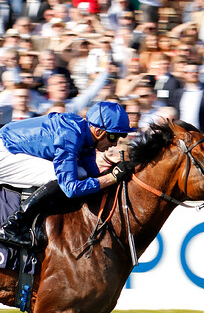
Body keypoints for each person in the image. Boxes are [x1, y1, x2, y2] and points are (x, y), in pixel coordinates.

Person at [0, 101, 134, 247]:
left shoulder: (86, 136)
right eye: (113, 137)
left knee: (81, 173)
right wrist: (112, 177)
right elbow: (70, 188)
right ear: (98, 131)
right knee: (57, 176)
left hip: (11, 146)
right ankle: (11, 226)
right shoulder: (69, 136)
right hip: (5, 152)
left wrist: (115, 175)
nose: (115, 144)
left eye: (121, 136)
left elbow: (92, 175)